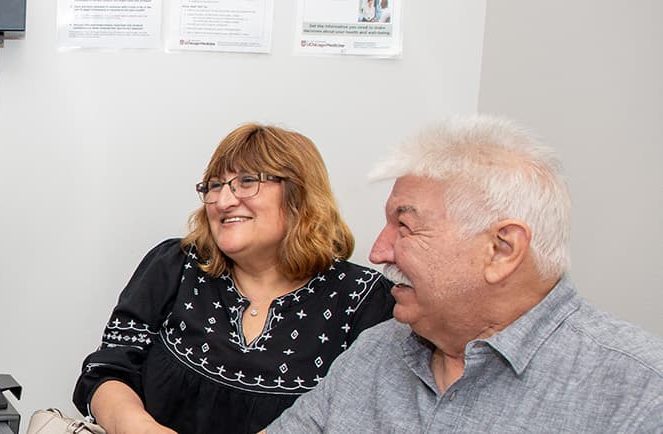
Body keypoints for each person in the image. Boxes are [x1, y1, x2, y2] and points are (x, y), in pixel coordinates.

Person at [267, 115, 663, 432]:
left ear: (502, 249)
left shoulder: (641, 392)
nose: (378, 252)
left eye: (405, 227)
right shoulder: (375, 351)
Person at [74, 124, 396, 434]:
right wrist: (140, 429)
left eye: (246, 182)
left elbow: (369, 417)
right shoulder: (177, 265)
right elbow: (107, 370)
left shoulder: (364, 299)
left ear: (299, 194)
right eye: (215, 185)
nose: (224, 201)